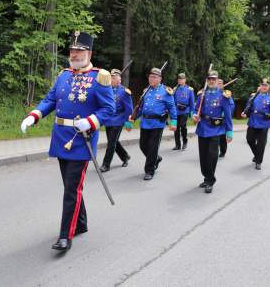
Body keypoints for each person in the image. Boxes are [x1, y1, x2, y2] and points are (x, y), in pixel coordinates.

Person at [20, 31, 115, 251]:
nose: (74, 54)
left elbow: (109, 109)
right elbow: (50, 99)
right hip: (61, 138)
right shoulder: (64, 75)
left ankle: (66, 235)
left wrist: (91, 121)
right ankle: (81, 223)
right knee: (71, 186)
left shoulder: (99, 77)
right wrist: (34, 115)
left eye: (79, 51)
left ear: (88, 52)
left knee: (71, 189)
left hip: (81, 140)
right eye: (72, 51)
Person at [132, 67, 177, 180]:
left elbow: (172, 107)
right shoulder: (146, 91)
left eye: (154, 77)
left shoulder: (166, 91)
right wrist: (133, 117)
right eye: (150, 77)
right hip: (145, 122)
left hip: (157, 123)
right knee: (143, 146)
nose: (151, 79)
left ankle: (149, 170)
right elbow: (141, 108)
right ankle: (155, 158)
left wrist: (174, 121)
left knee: (152, 147)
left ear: (160, 79)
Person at [192, 70, 233, 193]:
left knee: (212, 155)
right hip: (203, 128)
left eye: (213, 79)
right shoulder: (201, 94)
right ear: (206, 80)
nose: (211, 81)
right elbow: (195, 110)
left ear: (217, 80)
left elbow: (228, 115)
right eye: (209, 79)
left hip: (216, 129)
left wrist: (229, 131)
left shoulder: (223, 96)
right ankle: (206, 177)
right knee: (203, 156)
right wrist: (194, 115)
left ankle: (210, 180)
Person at [241, 78, 270, 170]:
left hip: (263, 124)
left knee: (261, 144)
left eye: (266, 85)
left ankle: (258, 161)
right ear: (260, 86)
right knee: (249, 140)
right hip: (253, 122)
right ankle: (257, 155)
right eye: (263, 85)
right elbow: (248, 106)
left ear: (268, 87)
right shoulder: (254, 96)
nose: (264, 87)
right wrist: (245, 113)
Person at [100, 68, 133, 172]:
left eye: (113, 78)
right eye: (111, 78)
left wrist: (128, 123)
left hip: (118, 120)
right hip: (108, 120)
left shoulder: (124, 92)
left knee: (111, 144)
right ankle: (125, 156)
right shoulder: (106, 89)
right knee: (113, 141)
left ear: (119, 80)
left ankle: (106, 164)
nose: (111, 80)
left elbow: (129, 109)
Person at [172, 73, 195, 150]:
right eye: (179, 79)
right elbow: (172, 101)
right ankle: (177, 145)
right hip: (176, 111)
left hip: (185, 110)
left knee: (182, 126)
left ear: (185, 80)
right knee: (176, 128)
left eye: (182, 79)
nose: (180, 80)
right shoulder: (175, 89)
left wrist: (192, 113)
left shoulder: (189, 89)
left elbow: (192, 102)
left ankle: (185, 142)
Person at [217, 78, 235, 157]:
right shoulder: (212, 93)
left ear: (223, 85)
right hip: (213, 119)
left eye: (220, 83)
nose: (219, 84)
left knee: (222, 136)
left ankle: (223, 151)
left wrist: (225, 112)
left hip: (223, 120)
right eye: (218, 83)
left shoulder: (226, 95)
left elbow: (231, 105)